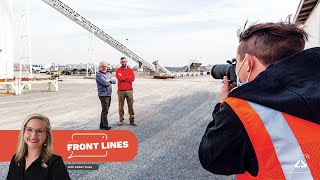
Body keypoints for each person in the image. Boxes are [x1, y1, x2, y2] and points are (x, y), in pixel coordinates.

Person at [198, 22, 320, 179]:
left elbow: (213, 159)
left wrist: (224, 105)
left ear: (248, 63)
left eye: (238, 64)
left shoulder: (245, 111)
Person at [7, 114, 70, 180]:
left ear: (46, 136)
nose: (33, 135)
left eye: (39, 131)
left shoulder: (54, 162)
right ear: (23, 132)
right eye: (29, 129)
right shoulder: (16, 159)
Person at [116, 57, 137, 126]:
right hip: (121, 90)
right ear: (120, 63)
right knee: (121, 105)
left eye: (124, 61)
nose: (123, 63)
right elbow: (119, 78)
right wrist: (127, 77)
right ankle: (121, 120)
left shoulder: (130, 70)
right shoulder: (118, 70)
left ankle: (132, 120)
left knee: (130, 105)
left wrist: (124, 77)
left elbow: (132, 79)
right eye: (122, 62)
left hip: (129, 90)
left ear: (126, 62)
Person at [96, 61, 116, 130]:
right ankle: (106, 125)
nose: (104, 68)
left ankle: (102, 124)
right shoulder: (99, 75)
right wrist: (109, 80)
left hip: (108, 94)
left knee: (105, 109)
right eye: (103, 66)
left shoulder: (107, 74)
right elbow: (105, 83)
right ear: (100, 67)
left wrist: (109, 80)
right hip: (103, 95)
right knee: (105, 110)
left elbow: (114, 81)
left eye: (105, 66)